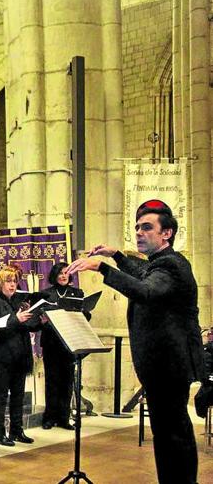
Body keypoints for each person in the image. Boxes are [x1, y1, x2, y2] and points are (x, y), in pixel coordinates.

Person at [67, 203, 204, 484]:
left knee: (172, 436)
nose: (138, 232)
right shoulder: (160, 263)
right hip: (164, 367)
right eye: (137, 227)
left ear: (167, 233)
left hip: (169, 366)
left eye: (147, 227)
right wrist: (116, 254)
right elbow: (142, 273)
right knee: (168, 434)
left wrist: (102, 268)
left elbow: (146, 290)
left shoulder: (172, 265)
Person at [0, 267, 35, 446]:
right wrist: (17, 319)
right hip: (3, 356)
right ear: (0, 283)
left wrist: (39, 320)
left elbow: (27, 326)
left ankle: (17, 430)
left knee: (18, 396)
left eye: (14, 281)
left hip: (21, 356)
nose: (12, 284)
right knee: (0, 396)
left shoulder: (19, 303)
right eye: (8, 281)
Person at [38, 262, 87, 430]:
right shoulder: (46, 294)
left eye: (66, 272)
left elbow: (84, 316)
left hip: (69, 342)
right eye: (60, 273)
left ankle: (64, 418)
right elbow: (39, 318)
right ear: (55, 275)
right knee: (52, 380)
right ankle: (49, 417)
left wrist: (85, 313)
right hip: (51, 341)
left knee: (67, 381)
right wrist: (43, 320)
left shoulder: (77, 293)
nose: (63, 275)